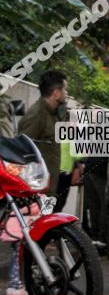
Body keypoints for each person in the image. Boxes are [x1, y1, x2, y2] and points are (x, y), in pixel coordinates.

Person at [18, 71, 83, 212]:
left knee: (49, 227)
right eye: (65, 89)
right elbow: (22, 151)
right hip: (36, 192)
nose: (66, 93)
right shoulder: (37, 115)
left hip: (50, 188)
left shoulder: (53, 114)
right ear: (56, 93)